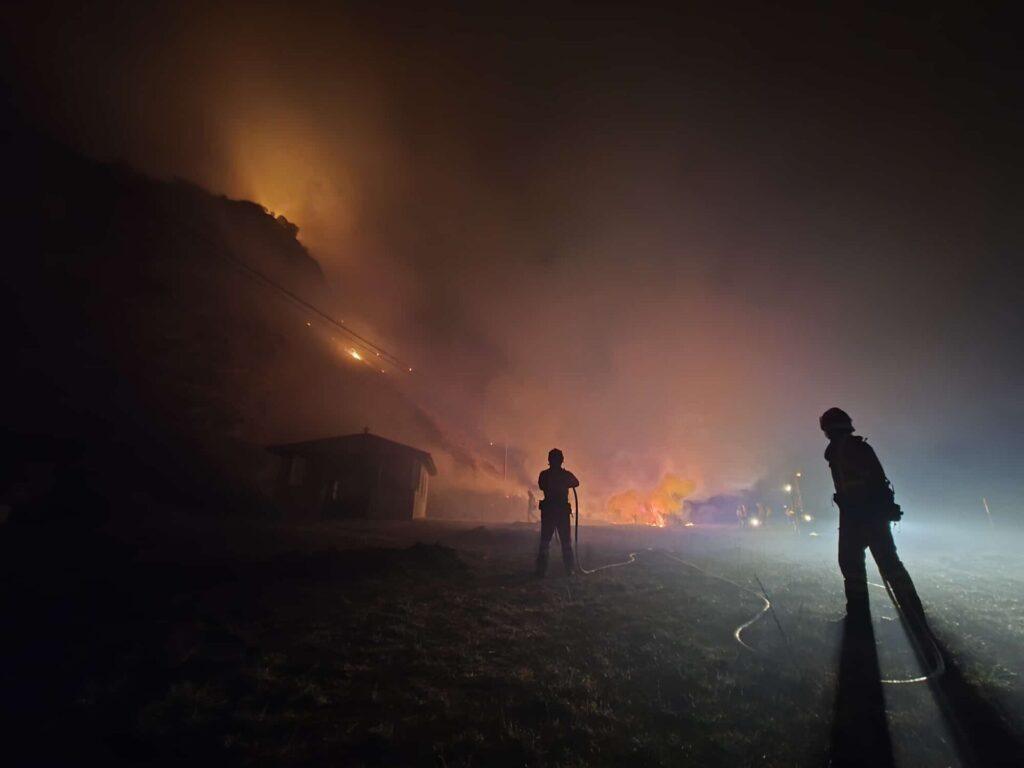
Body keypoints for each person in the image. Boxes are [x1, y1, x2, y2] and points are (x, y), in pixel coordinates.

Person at [820, 407, 925, 620]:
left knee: (864, 566)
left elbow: (875, 481)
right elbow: (877, 481)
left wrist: (881, 507)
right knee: (881, 565)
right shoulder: (843, 451)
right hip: (864, 517)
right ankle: (909, 611)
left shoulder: (852, 449)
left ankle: (865, 616)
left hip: (864, 517)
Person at [536, 448, 579, 576]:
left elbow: (542, 485)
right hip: (561, 512)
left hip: (549, 512)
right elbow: (576, 482)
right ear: (562, 460)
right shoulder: (565, 475)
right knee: (565, 542)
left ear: (549, 460)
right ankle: (569, 569)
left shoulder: (544, 475)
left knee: (545, 542)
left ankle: (541, 570)